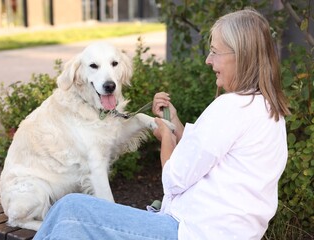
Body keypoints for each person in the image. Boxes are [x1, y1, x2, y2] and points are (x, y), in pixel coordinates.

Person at [33, 8, 290, 240]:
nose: (208, 60)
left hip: (187, 232)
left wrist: (166, 137)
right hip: (217, 230)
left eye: (214, 51)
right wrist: (175, 123)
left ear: (240, 55)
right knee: (68, 215)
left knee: (71, 209)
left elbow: (175, 178)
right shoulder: (266, 108)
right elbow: (210, 155)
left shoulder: (231, 107)